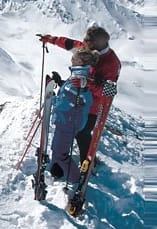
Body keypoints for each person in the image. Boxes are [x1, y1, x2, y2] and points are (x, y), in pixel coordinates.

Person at [40, 26, 121, 165]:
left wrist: (88, 84)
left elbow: (109, 92)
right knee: (75, 129)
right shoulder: (87, 49)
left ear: (95, 43)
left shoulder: (111, 63)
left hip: (93, 107)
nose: (83, 42)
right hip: (78, 97)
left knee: (82, 133)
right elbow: (69, 44)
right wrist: (51, 39)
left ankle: (89, 162)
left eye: (86, 40)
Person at [48, 48, 100, 183]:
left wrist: (52, 100)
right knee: (56, 149)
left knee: (61, 154)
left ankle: (76, 180)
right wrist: (60, 83)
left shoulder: (81, 79)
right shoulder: (78, 76)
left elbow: (68, 103)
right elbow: (69, 95)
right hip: (65, 121)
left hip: (68, 123)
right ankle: (57, 171)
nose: (71, 59)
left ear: (81, 61)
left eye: (74, 58)